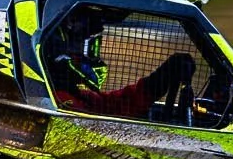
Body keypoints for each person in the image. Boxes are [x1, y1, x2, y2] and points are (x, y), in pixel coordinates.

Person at [45, 7, 195, 119]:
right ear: (60, 55)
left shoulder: (68, 95)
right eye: (87, 52)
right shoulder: (62, 103)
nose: (94, 59)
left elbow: (113, 106)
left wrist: (159, 80)